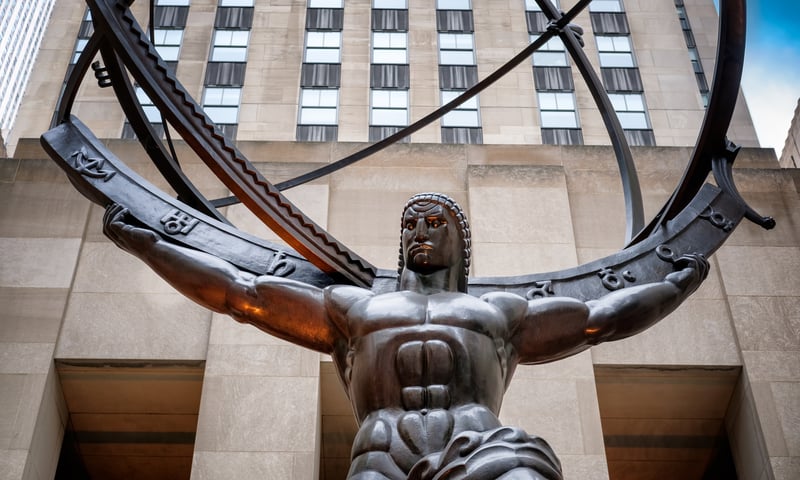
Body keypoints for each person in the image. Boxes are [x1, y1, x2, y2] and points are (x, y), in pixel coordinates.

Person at [103, 192, 708, 479]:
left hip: (482, 451)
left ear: (458, 243)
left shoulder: (501, 312)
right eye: (410, 224)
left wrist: (678, 283)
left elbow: (601, 318)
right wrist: (148, 243)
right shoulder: (354, 307)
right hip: (382, 456)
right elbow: (244, 296)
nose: (420, 231)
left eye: (434, 222)